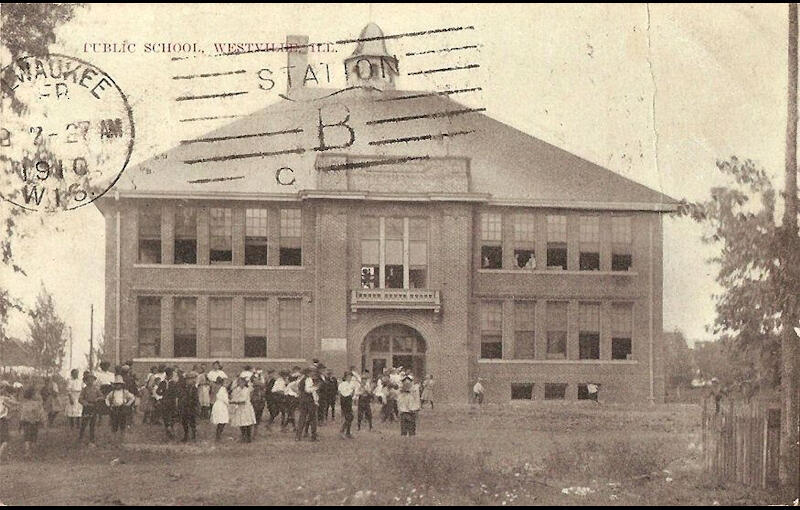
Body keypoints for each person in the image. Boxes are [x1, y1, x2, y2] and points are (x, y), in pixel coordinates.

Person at [105, 375, 135, 443]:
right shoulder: (112, 392)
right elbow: (107, 398)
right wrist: (109, 405)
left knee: (122, 424)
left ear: (122, 385)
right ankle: (114, 439)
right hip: (115, 409)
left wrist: (128, 404)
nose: (118, 386)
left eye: (119, 384)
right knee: (114, 424)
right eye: (116, 384)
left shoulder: (125, 392)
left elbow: (132, 397)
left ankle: (122, 439)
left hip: (122, 409)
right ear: (115, 385)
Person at [78, 373, 104, 446]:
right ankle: (81, 439)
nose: (90, 381)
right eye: (88, 379)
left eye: (92, 379)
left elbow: (102, 396)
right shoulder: (84, 389)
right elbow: (80, 399)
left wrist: (97, 399)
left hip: (94, 407)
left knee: (92, 424)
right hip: (87, 408)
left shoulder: (96, 389)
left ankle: (92, 440)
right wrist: (85, 403)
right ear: (86, 381)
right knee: (84, 423)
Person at [20, 386, 46, 456]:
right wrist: (43, 422)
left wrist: (20, 424)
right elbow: (41, 414)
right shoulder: (38, 404)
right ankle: (32, 453)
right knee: (34, 438)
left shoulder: (25, 404)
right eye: (35, 394)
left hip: (26, 423)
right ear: (32, 395)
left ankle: (27, 453)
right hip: (35, 423)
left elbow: (22, 415)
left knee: (27, 439)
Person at [230, 376, 256, 443]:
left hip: (246, 408)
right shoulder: (237, 389)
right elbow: (234, 396)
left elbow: (243, 400)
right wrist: (233, 400)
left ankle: (248, 438)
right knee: (241, 423)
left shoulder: (246, 390)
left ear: (245, 383)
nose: (241, 383)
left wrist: (234, 402)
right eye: (239, 382)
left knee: (247, 423)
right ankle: (243, 437)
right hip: (239, 408)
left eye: (242, 382)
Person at [156, 367, 180, 440]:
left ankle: (169, 428)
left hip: (167, 402)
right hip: (169, 402)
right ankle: (169, 428)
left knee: (168, 415)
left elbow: (158, 392)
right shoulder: (170, 383)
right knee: (168, 415)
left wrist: (162, 393)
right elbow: (158, 391)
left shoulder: (166, 383)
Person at [295, 368, 319, 441]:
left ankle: (298, 436)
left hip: (303, 400)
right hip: (309, 401)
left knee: (302, 418)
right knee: (313, 418)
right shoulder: (308, 379)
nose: (313, 373)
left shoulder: (301, 380)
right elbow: (308, 390)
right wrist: (316, 387)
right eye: (312, 372)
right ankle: (313, 436)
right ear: (308, 373)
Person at [178, 371, 200, 442]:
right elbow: (181, 396)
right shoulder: (184, 387)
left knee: (192, 422)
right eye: (187, 379)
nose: (188, 381)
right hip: (184, 407)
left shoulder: (194, 388)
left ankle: (194, 436)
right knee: (184, 422)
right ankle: (186, 435)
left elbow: (196, 399)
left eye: (190, 379)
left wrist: (195, 406)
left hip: (191, 407)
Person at [0, 383, 19, 463]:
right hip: (2, 420)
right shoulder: (4, 398)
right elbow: (16, 403)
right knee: (6, 440)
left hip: (3, 419)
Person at [338, 371, 356, 439]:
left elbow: (352, 393)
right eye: (348, 376)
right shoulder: (342, 384)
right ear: (345, 377)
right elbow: (341, 393)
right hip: (344, 401)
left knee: (351, 417)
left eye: (350, 376)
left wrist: (352, 393)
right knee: (347, 417)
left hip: (349, 400)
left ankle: (348, 432)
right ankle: (342, 431)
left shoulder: (351, 384)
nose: (350, 378)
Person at [210, 376, 229, 441]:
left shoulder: (215, 388)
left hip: (216, 404)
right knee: (222, 421)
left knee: (220, 421)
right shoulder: (223, 389)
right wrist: (228, 404)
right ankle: (218, 436)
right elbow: (225, 399)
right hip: (221, 405)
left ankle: (218, 435)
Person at [250, 370, 266, 438]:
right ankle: (253, 433)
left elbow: (263, 400)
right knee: (253, 421)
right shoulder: (252, 393)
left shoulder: (261, 393)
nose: (257, 388)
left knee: (257, 421)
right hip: (254, 407)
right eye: (256, 386)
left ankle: (255, 433)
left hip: (259, 407)